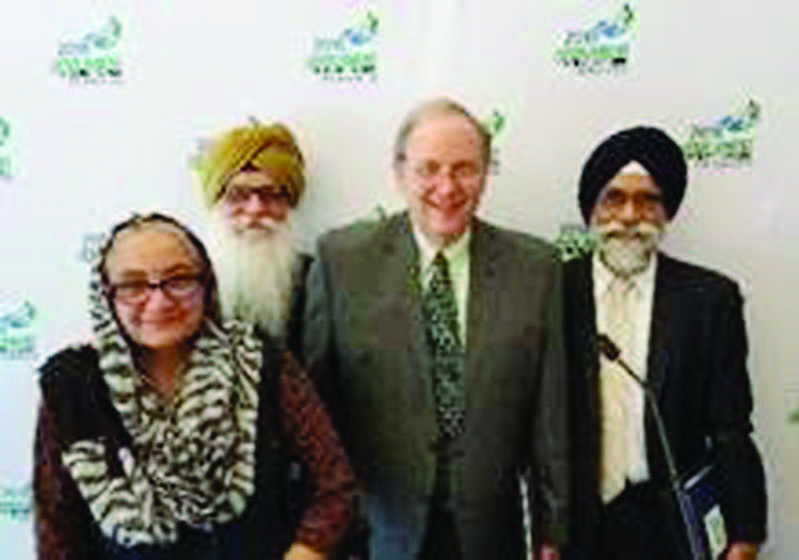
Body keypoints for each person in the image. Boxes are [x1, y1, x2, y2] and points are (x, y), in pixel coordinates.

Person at [303, 98, 568, 560]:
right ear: (399, 173)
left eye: (465, 169)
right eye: (428, 169)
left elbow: (551, 420)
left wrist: (554, 534)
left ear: (486, 174)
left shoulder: (536, 268)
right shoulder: (341, 260)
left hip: (491, 536)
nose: (446, 187)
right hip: (376, 535)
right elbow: (317, 418)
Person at [33, 213, 353, 560]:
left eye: (179, 279)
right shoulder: (71, 388)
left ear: (206, 284)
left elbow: (335, 488)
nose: (159, 301)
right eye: (133, 285)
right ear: (106, 297)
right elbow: (56, 531)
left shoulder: (261, 361)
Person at [563, 126, 767, 560]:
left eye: (648, 199)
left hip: (667, 526)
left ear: (667, 211)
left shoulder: (710, 301)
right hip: (572, 527)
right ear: (591, 209)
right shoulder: (551, 292)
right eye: (614, 197)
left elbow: (731, 429)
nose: (630, 214)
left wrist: (746, 535)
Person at [197, 121, 312, 356]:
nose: (255, 209)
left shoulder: (316, 278)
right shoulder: (184, 281)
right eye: (238, 195)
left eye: (272, 195)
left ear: (290, 202)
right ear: (215, 201)